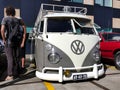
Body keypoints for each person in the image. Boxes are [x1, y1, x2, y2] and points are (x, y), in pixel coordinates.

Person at [1, 6, 26, 80]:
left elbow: (2, 30)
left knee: (10, 58)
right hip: (17, 41)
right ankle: (17, 72)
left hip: (9, 41)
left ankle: (10, 75)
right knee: (16, 57)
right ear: (13, 12)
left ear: (7, 12)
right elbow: (24, 27)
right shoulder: (18, 19)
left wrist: (4, 39)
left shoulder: (5, 19)